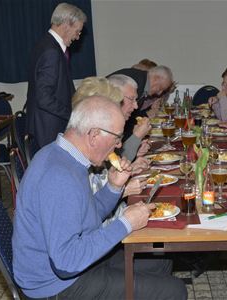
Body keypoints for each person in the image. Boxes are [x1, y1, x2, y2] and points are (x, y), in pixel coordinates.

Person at [12, 95, 187, 299]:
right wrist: (126, 223)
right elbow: (66, 263)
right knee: (174, 291)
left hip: (69, 267)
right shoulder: (59, 176)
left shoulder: (63, 156)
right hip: (55, 286)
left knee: (160, 259)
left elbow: (86, 216)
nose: (119, 145)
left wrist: (113, 187)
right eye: (117, 137)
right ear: (94, 136)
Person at [71, 76, 150, 194]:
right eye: (131, 99)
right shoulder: (71, 165)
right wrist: (122, 191)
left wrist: (129, 169)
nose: (136, 106)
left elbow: (103, 179)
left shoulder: (86, 144)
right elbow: (91, 205)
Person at [26, 3, 87, 152]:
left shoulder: (46, 44)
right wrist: (72, 115)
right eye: (77, 31)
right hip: (47, 128)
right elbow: (44, 98)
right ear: (66, 24)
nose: (78, 37)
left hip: (47, 125)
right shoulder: (51, 51)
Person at [107, 65, 174, 140]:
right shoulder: (136, 82)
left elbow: (132, 117)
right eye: (160, 88)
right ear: (156, 78)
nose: (159, 93)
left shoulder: (142, 81)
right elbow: (127, 121)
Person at [108, 74, 152, 161]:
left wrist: (136, 151)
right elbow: (112, 167)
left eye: (136, 100)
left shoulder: (117, 123)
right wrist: (137, 136)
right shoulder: (103, 127)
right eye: (131, 99)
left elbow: (119, 160)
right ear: (115, 98)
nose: (136, 106)